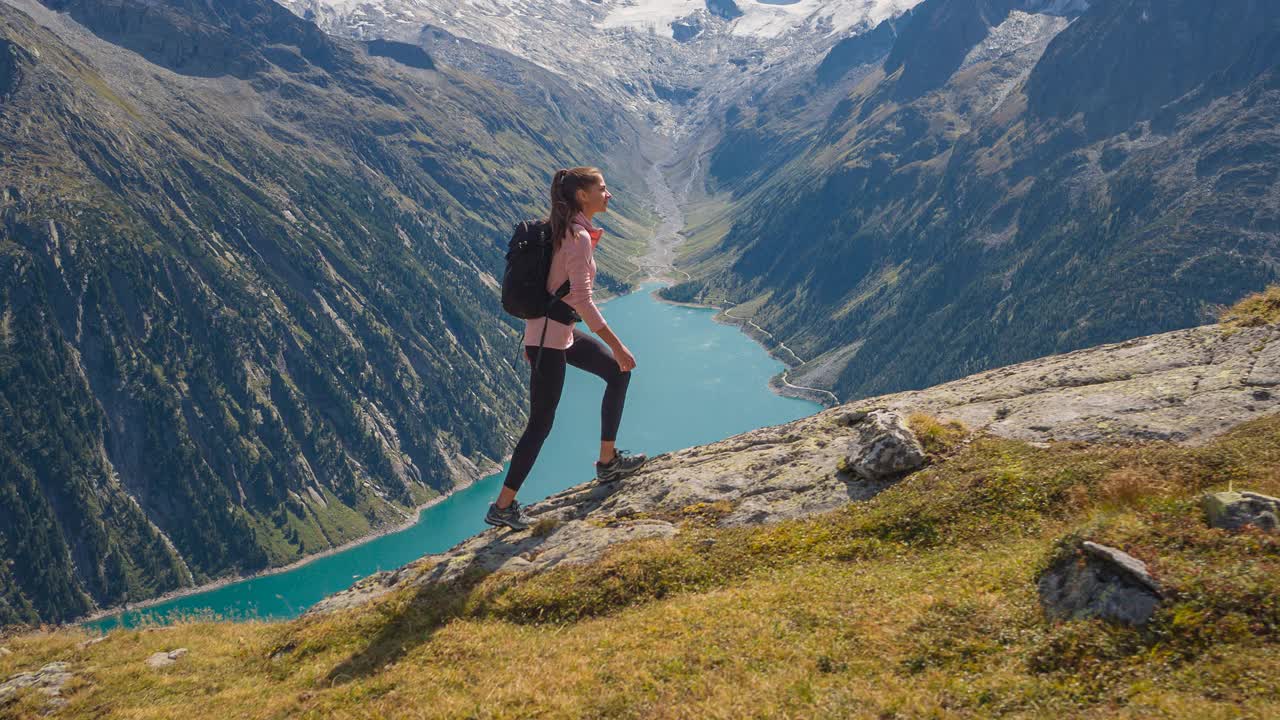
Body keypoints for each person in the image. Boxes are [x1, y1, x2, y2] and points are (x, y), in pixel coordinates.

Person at [484, 166, 648, 530]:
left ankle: (607, 464)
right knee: (540, 424)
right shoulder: (577, 237)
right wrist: (618, 346)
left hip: (557, 336)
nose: (609, 195)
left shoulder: (567, 231)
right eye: (602, 189)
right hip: (549, 341)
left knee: (617, 374)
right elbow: (582, 301)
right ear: (581, 196)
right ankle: (502, 507)